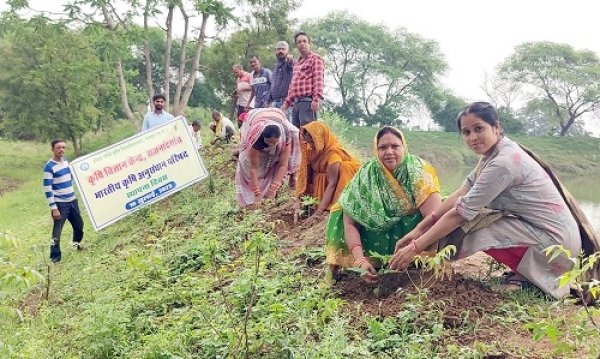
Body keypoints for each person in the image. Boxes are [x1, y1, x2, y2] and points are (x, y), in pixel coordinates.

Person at [389, 102, 587, 299]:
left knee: (473, 227)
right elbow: (462, 192)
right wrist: (419, 230)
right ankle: (526, 273)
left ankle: (532, 280)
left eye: (479, 129)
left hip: (556, 245)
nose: (473, 137)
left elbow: (460, 214)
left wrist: (416, 247)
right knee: (467, 217)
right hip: (553, 237)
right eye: (466, 132)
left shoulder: (503, 163)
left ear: (496, 127)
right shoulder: (493, 154)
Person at [325, 126, 442, 280]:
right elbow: (349, 222)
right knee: (341, 210)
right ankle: (360, 264)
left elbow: (434, 216)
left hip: (412, 239)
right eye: (383, 147)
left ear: (404, 147)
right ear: (376, 150)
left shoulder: (417, 170)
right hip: (373, 241)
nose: (389, 152)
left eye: (395, 146)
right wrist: (360, 260)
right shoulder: (368, 173)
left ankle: (416, 264)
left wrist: (414, 247)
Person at [295, 121, 360, 223]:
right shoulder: (311, 150)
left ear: (320, 139)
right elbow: (305, 175)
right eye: (308, 142)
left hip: (332, 187)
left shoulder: (333, 154)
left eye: (313, 142)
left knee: (345, 168)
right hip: (319, 187)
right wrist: (299, 204)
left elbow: (332, 183)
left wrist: (319, 213)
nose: (310, 146)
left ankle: (332, 208)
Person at [235, 108, 301, 207]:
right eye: (269, 142)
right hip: (255, 116)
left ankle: (293, 176)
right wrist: (257, 193)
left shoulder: (285, 137)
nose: (272, 145)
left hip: (278, 115)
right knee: (248, 162)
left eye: (274, 142)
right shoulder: (255, 137)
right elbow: (253, 168)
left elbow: (283, 165)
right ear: (263, 138)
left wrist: (273, 189)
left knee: (297, 135)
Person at [43, 139, 84, 263]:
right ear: (53, 149)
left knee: (79, 225)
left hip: (72, 200)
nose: (61, 150)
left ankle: (76, 244)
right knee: (57, 231)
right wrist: (54, 208)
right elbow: (47, 189)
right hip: (60, 204)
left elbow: (70, 177)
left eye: (63, 147)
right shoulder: (49, 167)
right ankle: (55, 257)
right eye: (58, 148)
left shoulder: (66, 162)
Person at [281, 31, 325, 128]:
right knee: (296, 133)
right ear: (296, 46)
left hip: (308, 102)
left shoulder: (315, 59)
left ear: (309, 44)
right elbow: (293, 86)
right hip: (296, 104)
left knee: (308, 133)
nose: (302, 44)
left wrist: (316, 99)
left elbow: (318, 80)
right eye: (299, 42)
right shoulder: (297, 64)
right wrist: (286, 104)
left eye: (304, 41)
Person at [269, 41, 294, 121]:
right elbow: (272, 85)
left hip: (286, 103)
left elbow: (292, 64)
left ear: (288, 51)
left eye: (283, 49)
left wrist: (290, 60)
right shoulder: (276, 66)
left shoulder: (289, 64)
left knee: (287, 128)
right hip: (274, 103)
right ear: (276, 51)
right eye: (279, 49)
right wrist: (268, 101)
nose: (281, 51)